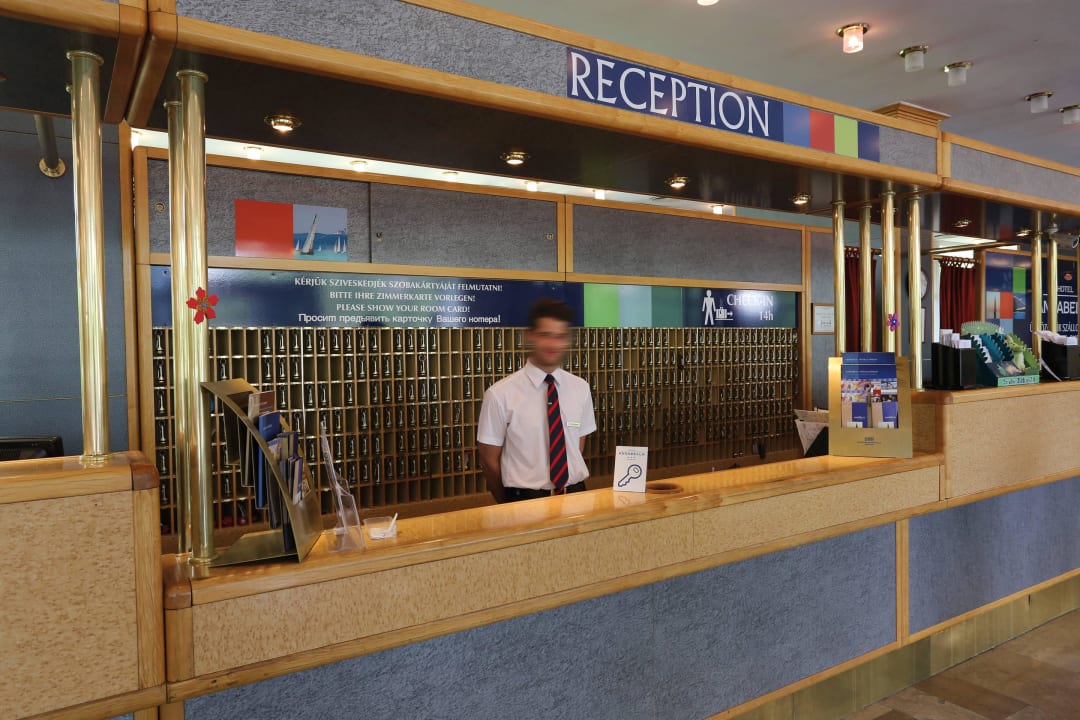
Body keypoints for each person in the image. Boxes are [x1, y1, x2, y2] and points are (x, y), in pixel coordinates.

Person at [477, 298, 597, 503]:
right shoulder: (500, 394)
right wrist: (508, 504)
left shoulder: (580, 388)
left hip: (576, 497)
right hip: (524, 500)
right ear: (530, 336)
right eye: (545, 335)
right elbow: (489, 461)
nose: (553, 344)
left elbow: (577, 446)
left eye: (560, 337)